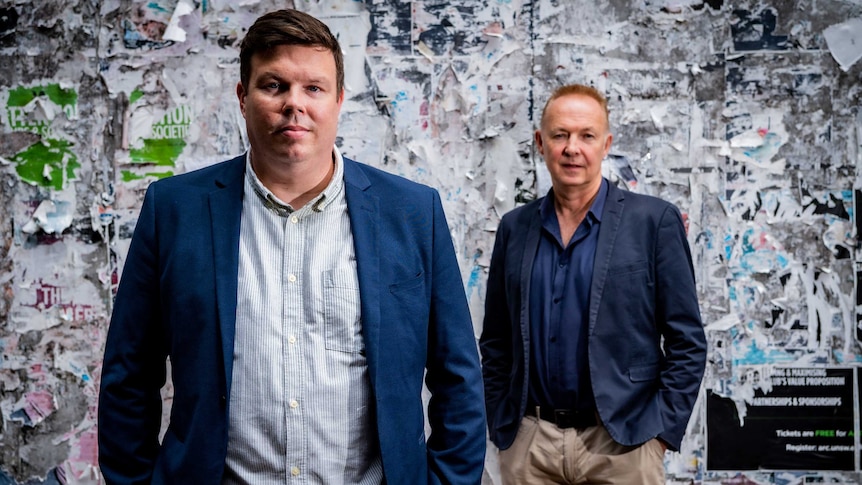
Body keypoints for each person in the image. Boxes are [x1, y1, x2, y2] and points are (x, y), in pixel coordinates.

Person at [98, 9, 485, 485]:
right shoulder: (173, 211)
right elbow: (128, 378)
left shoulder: (412, 213)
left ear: (340, 99)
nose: (294, 104)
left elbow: (459, 378)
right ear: (243, 97)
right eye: (274, 85)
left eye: (314, 88)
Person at [479, 84, 707, 484]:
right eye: (560, 134)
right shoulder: (515, 228)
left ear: (606, 144)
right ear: (540, 142)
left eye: (586, 135)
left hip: (623, 445)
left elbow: (687, 340)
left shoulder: (653, 223)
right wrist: (503, 427)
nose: (572, 148)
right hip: (531, 445)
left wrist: (661, 433)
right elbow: (497, 341)